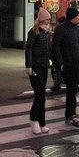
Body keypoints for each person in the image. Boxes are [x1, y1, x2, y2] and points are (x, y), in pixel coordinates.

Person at [25, 7, 54, 135]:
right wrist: (29, 66)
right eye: (46, 20)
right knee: (40, 95)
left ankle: (41, 123)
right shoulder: (33, 32)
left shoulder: (46, 33)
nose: (48, 22)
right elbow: (29, 49)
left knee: (42, 95)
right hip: (36, 66)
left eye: (48, 20)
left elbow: (49, 49)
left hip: (43, 65)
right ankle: (33, 119)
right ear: (41, 20)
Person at [50, 11, 65, 93]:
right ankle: (59, 84)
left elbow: (55, 44)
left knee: (56, 70)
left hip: (57, 54)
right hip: (63, 54)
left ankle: (57, 85)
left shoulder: (59, 29)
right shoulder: (66, 29)